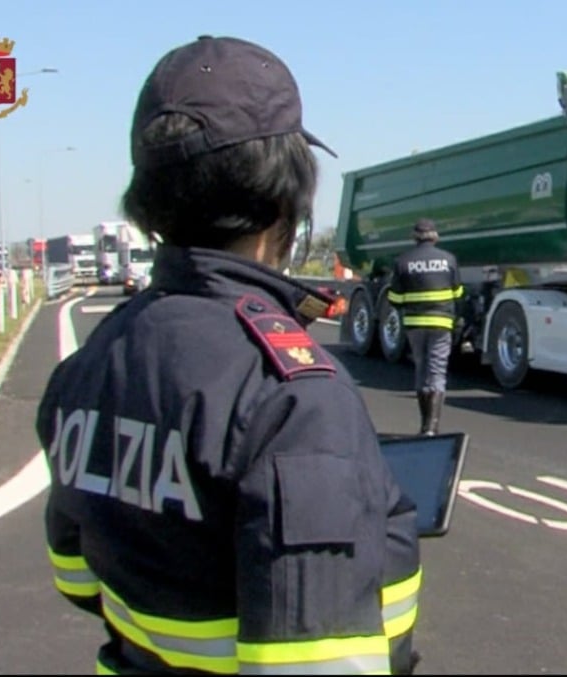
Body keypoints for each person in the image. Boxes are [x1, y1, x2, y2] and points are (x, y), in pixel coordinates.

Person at [35, 35, 422, 675]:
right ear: (286, 198)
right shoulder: (294, 397)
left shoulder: (89, 361)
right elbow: (319, 663)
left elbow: (77, 577)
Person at [386, 219, 463, 436]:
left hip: (414, 324)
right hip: (441, 323)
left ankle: (423, 424)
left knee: (421, 368)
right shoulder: (448, 259)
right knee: (437, 371)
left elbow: (395, 298)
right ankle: (432, 427)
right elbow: (457, 293)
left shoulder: (403, 261)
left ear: (414, 236)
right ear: (435, 236)